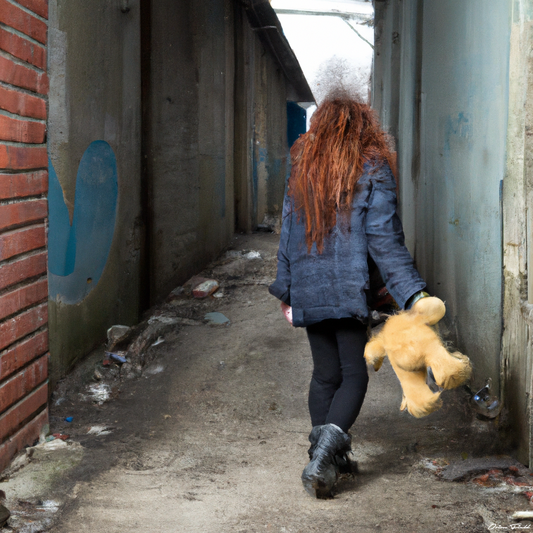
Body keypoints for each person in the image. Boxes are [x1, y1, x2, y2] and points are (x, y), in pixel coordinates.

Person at [268, 97, 428, 499]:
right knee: (353, 374)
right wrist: (412, 293)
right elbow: (385, 239)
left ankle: (324, 462)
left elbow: (287, 231)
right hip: (348, 285)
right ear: (362, 125)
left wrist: (285, 288)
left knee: (325, 374)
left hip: (307, 282)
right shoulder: (372, 164)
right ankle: (325, 456)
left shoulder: (303, 164)